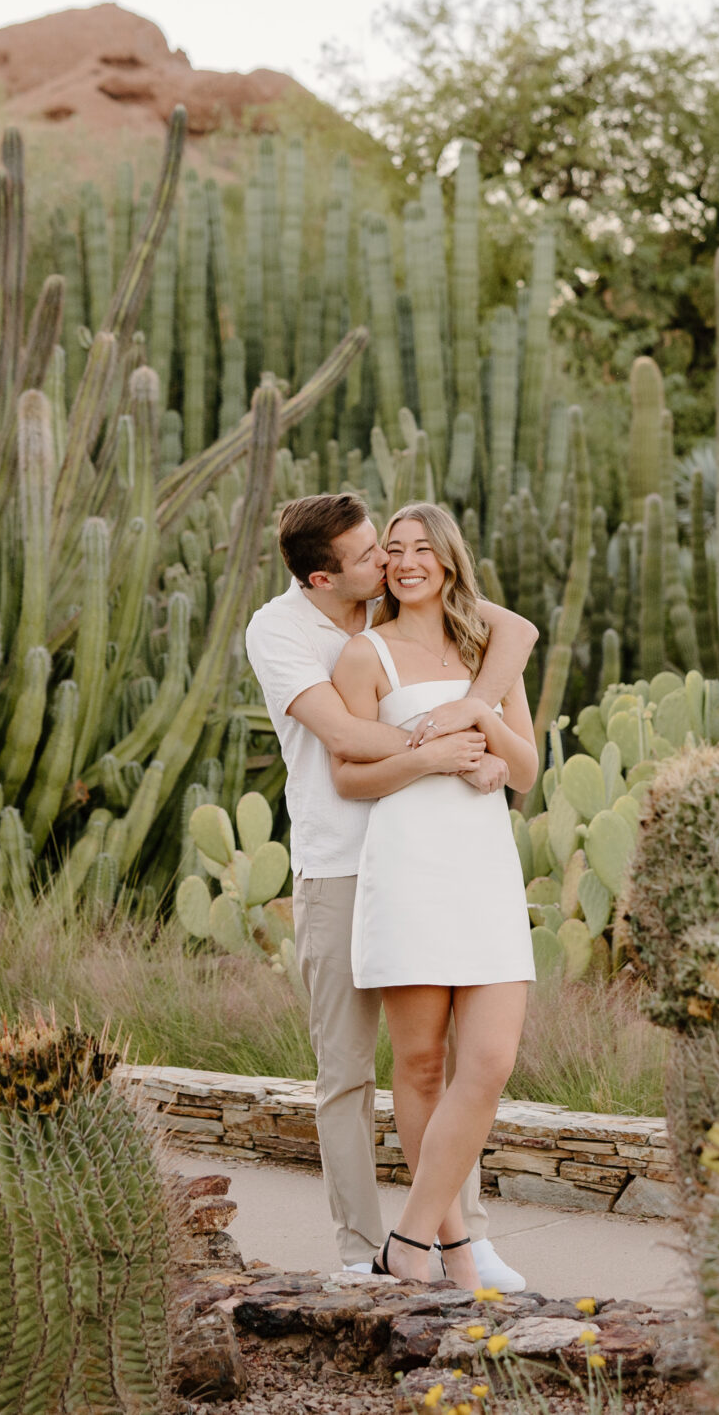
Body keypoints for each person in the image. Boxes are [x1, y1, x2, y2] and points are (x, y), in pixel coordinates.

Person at [244, 494, 537, 1291]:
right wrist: (447, 745)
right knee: (351, 1067)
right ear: (321, 575)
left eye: (395, 548)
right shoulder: (282, 631)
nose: (388, 562)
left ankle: (459, 1239)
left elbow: (509, 627)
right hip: (343, 862)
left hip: (439, 859)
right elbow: (342, 739)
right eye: (373, 553)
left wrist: (476, 708)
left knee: (453, 1064)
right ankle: (361, 1243)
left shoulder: (400, 601)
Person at [328, 502, 540, 1291]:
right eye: (396, 548)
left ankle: (405, 1239)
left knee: (486, 1061)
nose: (409, 560)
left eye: (424, 548)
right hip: (409, 867)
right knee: (418, 1067)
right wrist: (436, 756)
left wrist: (480, 711)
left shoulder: (485, 652)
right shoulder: (364, 653)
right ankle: (446, 1250)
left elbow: (524, 770)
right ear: (383, 564)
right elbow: (350, 774)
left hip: (483, 871)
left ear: (449, 561)